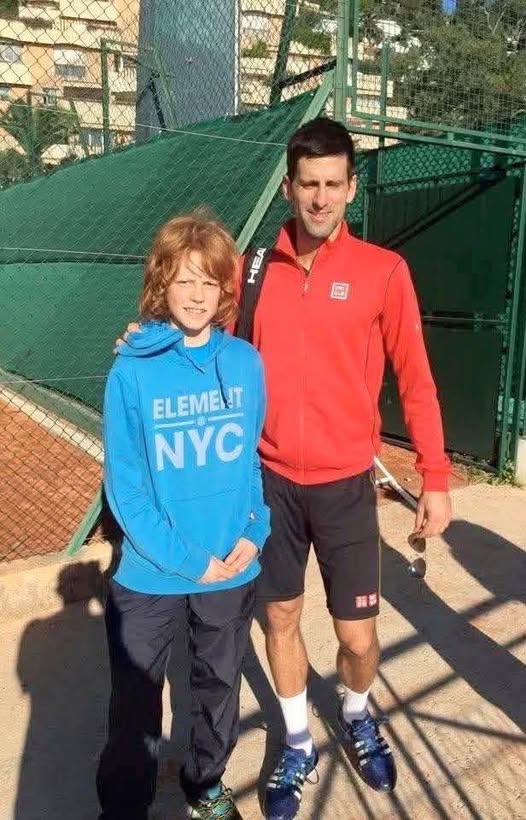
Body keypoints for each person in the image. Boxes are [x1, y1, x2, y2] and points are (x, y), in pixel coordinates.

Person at [118, 117, 453, 820]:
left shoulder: (383, 272)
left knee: (358, 638)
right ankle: (297, 741)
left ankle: (359, 713)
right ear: (290, 186)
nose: (321, 199)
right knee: (280, 619)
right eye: (309, 185)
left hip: (344, 486)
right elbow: (197, 327)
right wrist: (143, 339)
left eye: (334, 185)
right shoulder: (253, 268)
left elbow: (417, 379)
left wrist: (437, 475)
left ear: (351, 188)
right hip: (269, 484)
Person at [98, 211, 270, 820]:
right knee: (136, 706)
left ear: (227, 288)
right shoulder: (132, 370)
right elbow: (127, 490)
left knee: (217, 688)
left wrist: (256, 529)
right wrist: (188, 560)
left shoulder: (246, 363)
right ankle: (124, 807)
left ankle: (205, 786)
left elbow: (248, 461)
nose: (197, 295)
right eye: (183, 280)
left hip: (230, 569)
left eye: (209, 281)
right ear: (160, 284)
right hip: (152, 574)